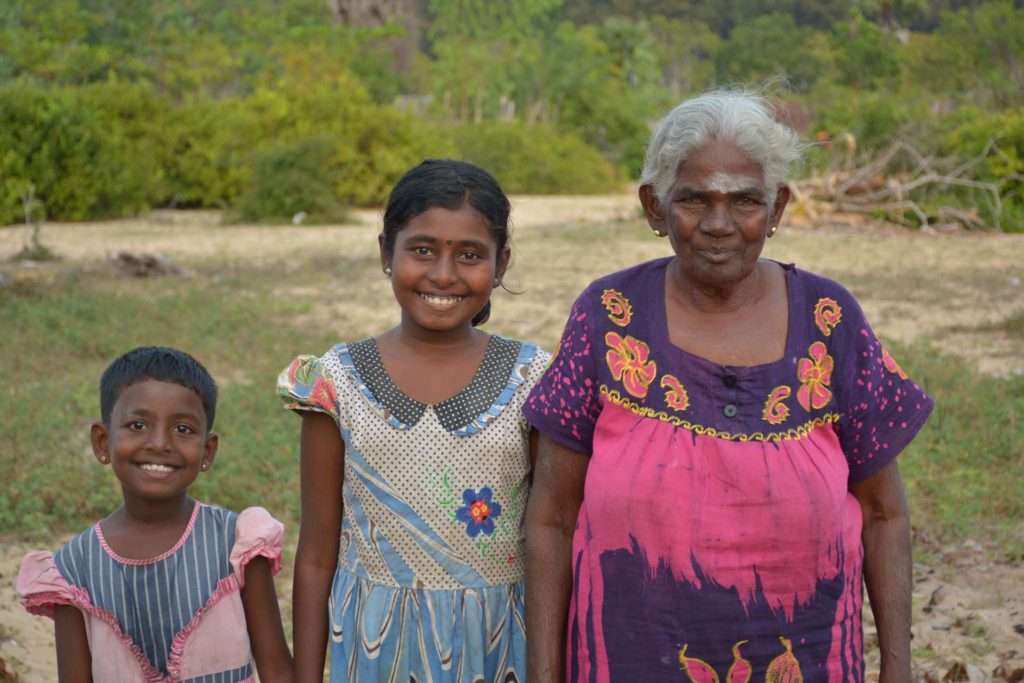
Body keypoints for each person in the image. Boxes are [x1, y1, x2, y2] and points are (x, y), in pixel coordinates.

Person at [523, 90, 933, 683]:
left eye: (745, 200)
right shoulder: (608, 315)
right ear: (654, 207)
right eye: (693, 199)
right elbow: (552, 517)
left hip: (808, 659)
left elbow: (884, 515)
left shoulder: (829, 318)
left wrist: (897, 670)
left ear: (778, 208)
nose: (718, 225)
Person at [278, 159, 550, 682]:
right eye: (422, 249)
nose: (443, 274)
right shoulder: (336, 381)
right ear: (386, 251)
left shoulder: (532, 379)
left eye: (469, 255)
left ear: (501, 264)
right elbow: (315, 554)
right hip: (374, 647)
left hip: (497, 645)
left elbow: (548, 536)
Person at [16, 346, 293, 682]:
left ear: (208, 451)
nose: (160, 442)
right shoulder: (74, 571)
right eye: (138, 425)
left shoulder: (237, 546)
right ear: (102, 442)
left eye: (183, 430)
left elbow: (278, 670)